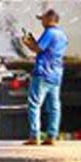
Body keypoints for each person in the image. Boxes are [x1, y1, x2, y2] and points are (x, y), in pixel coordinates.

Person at [22, 9, 68, 146]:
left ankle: (34, 135)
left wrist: (27, 42)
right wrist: (34, 43)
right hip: (56, 73)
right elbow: (48, 49)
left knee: (34, 104)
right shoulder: (62, 35)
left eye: (42, 19)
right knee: (54, 106)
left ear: (50, 19)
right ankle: (51, 136)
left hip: (43, 72)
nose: (41, 21)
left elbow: (38, 49)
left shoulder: (49, 32)